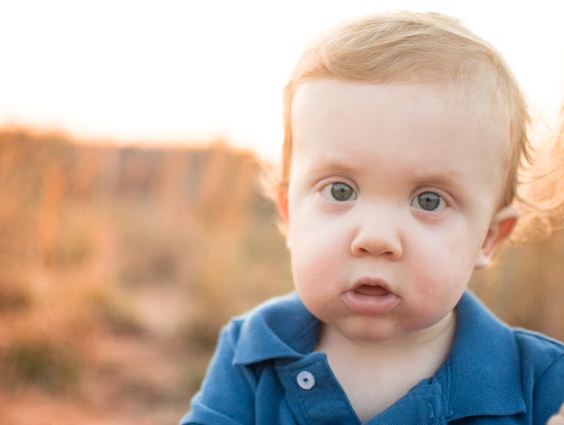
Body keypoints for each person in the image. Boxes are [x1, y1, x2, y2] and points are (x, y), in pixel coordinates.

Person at [181, 11, 564, 424]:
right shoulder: (254, 352)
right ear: (290, 213)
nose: (376, 238)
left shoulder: (541, 387)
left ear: (488, 238)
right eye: (340, 191)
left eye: (429, 200)